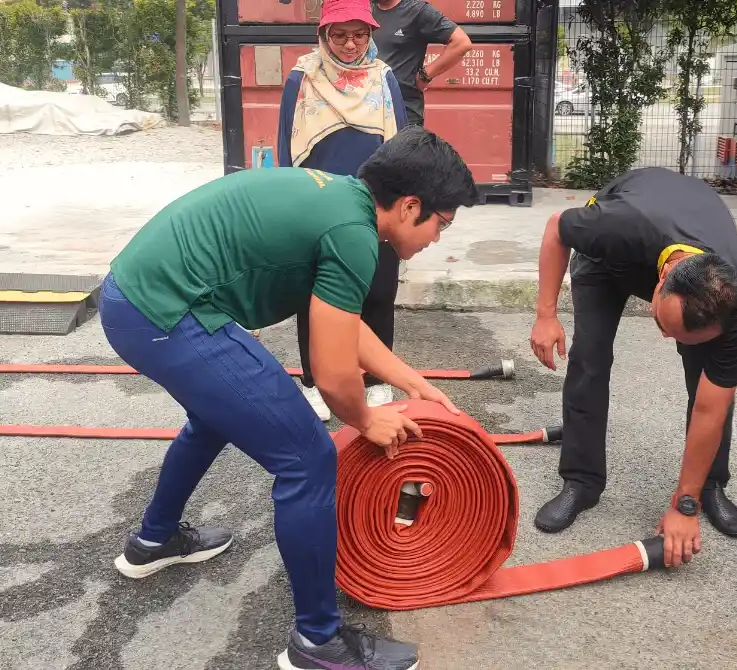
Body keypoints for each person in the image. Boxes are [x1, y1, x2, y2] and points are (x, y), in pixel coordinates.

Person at [99, 125, 478, 670]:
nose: (437, 239)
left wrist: (411, 381)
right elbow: (330, 372)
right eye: (441, 224)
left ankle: (153, 541)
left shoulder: (340, 201)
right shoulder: (352, 233)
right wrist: (366, 418)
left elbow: (343, 325)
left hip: (136, 297)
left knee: (213, 419)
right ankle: (317, 643)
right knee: (308, 458)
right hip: (164, 311)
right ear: (409, 205)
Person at [529, 167, 737, 571]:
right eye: (663, 326)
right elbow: (555, 228)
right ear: (662, 279)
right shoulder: (615, 225)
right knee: (590, 360)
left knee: (707, 379)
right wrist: (546, 315)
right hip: (607, 263)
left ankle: (709, 486)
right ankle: (581, 482)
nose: (666, 341)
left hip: (687, 256)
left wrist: (684, 506)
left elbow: (712, 406)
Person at [277, 0, 410, 421]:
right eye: (339, 34)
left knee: (377, 290)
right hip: (317, 202)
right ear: (323, 35)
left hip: (377, 203)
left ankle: (375, 380)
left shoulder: (383, 78)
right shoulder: (302, 78)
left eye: (359, 34)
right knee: (313, 294)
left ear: (371, 35)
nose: (350, 44)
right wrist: (292, 202)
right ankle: (314, 381)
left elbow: (401, 143)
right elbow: (287, 145)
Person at [370, 0, 472, 127]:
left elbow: (461, 43)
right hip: (370, 109)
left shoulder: (418, 11)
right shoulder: (366, 9)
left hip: (403, 111)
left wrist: (425, 75)